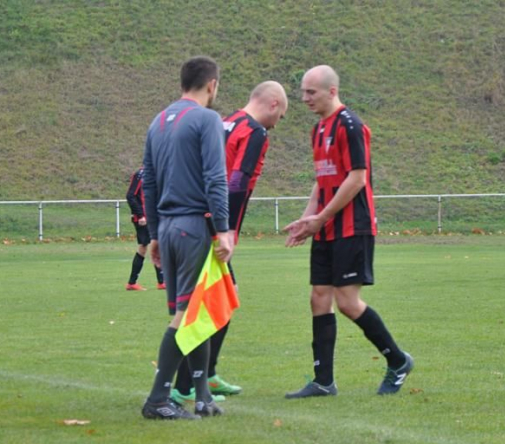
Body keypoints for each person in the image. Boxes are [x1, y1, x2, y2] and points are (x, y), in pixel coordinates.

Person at [284, 65, 414, 398]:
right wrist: (306, 220)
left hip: (352, 226)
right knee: (319, 299)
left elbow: (357, 179)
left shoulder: (351, 126)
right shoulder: (318, 131)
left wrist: (320, 218)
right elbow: (322, 180)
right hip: (326, 227)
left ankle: (398, 361)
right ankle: (323, 382)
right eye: (302, 91)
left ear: (331, 91)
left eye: (310, 92)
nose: (304, 98)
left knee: (347, 302)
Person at [172, 81, 289, 404]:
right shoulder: (254, 131)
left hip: (196, 219)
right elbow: (236, 182)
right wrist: (228, 231)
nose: (276, 126)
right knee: (213, 302)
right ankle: (187, 383)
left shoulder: (227, 121)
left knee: (216, 298)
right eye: (280, 117)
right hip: (213, 226)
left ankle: (204, 375)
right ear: (274, 104)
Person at [140, 56, 234, 420]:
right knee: (185, 314)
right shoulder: (207, 119)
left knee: (195, 313)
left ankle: (202, 396)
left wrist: (153, 234)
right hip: (193, 226)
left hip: (167, 226)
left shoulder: (158, 121)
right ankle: (158, 399)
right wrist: (223, 229)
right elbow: (215, 178)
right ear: (212, 85)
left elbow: (147, 181)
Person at [124, 166, 165, 291]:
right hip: (143, 218)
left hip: (153, 216)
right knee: (145, 246)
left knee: (155, 245)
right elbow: (130, 196)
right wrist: (140, 215)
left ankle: (161, 282)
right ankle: (132, 283)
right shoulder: (141, 174)